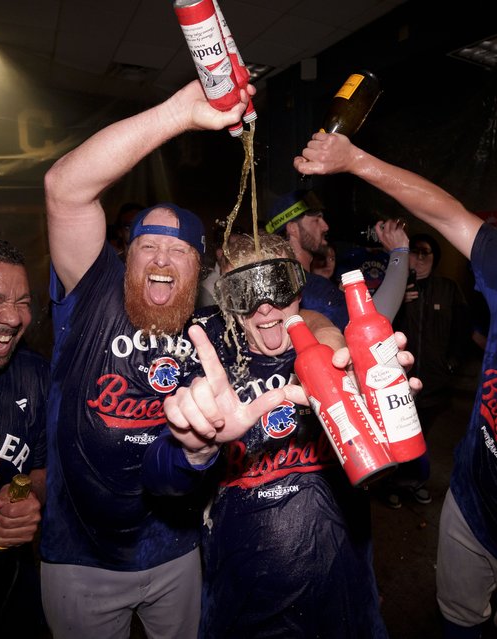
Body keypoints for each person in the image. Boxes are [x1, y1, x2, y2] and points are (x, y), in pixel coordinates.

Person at [40, 80, 333, 639]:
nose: (161, 258)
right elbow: (64, 187)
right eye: (148, 244)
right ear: (128, 255)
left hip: (175, 552)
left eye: (179, 249)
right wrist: (179, 113)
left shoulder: (212, 329)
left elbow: (298, 315)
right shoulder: (92, 291)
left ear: (199, 269)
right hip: (80, 554)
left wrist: (329, 339)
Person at [294, 129, 496, 638]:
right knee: (460, 616)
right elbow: (448, 212)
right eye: (313, 217)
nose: (325, 224)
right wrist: (355, 159)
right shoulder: (295, 286)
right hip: (474, 498)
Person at [143, 232, 391, 639]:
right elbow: (156, 482)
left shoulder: (341, 357)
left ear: (299, 288)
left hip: (344, 600)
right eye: (244, 290)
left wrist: (389, 408)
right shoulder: (210, 364)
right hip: (240, 605)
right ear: (226, 300)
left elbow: (407, 468)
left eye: (277, 286)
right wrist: (194, 449)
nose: (264, 305)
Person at [0, 235, 49, 639]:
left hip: (7, 578)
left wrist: (27, 500)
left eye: (23, 303)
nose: (12, 318)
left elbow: (42, 468)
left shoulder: (36, 376)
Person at [384, 232, 471, 508]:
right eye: (415, 252)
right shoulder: (393, 288)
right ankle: (390, 485)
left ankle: (414, 483)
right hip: (397, 383)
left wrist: (454, 360)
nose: (420, 259)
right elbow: (377, 327)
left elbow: (462, 328)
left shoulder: (448, 288)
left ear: (435, 259)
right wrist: (398, 302)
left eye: (426, 254)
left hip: (434, 383)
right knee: (395, 436)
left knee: (420, 437)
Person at [266, 189, 410, 326]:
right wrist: (399, 251)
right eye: (317, 220)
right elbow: (374, 328)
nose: (325, 227)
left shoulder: (285, 282)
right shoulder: (312, 288)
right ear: (293, 228)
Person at [196, 222, 246, 308]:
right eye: (234, 248)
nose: (241, 252)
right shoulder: (209, 287)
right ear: (219, 252)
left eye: (242, 247)